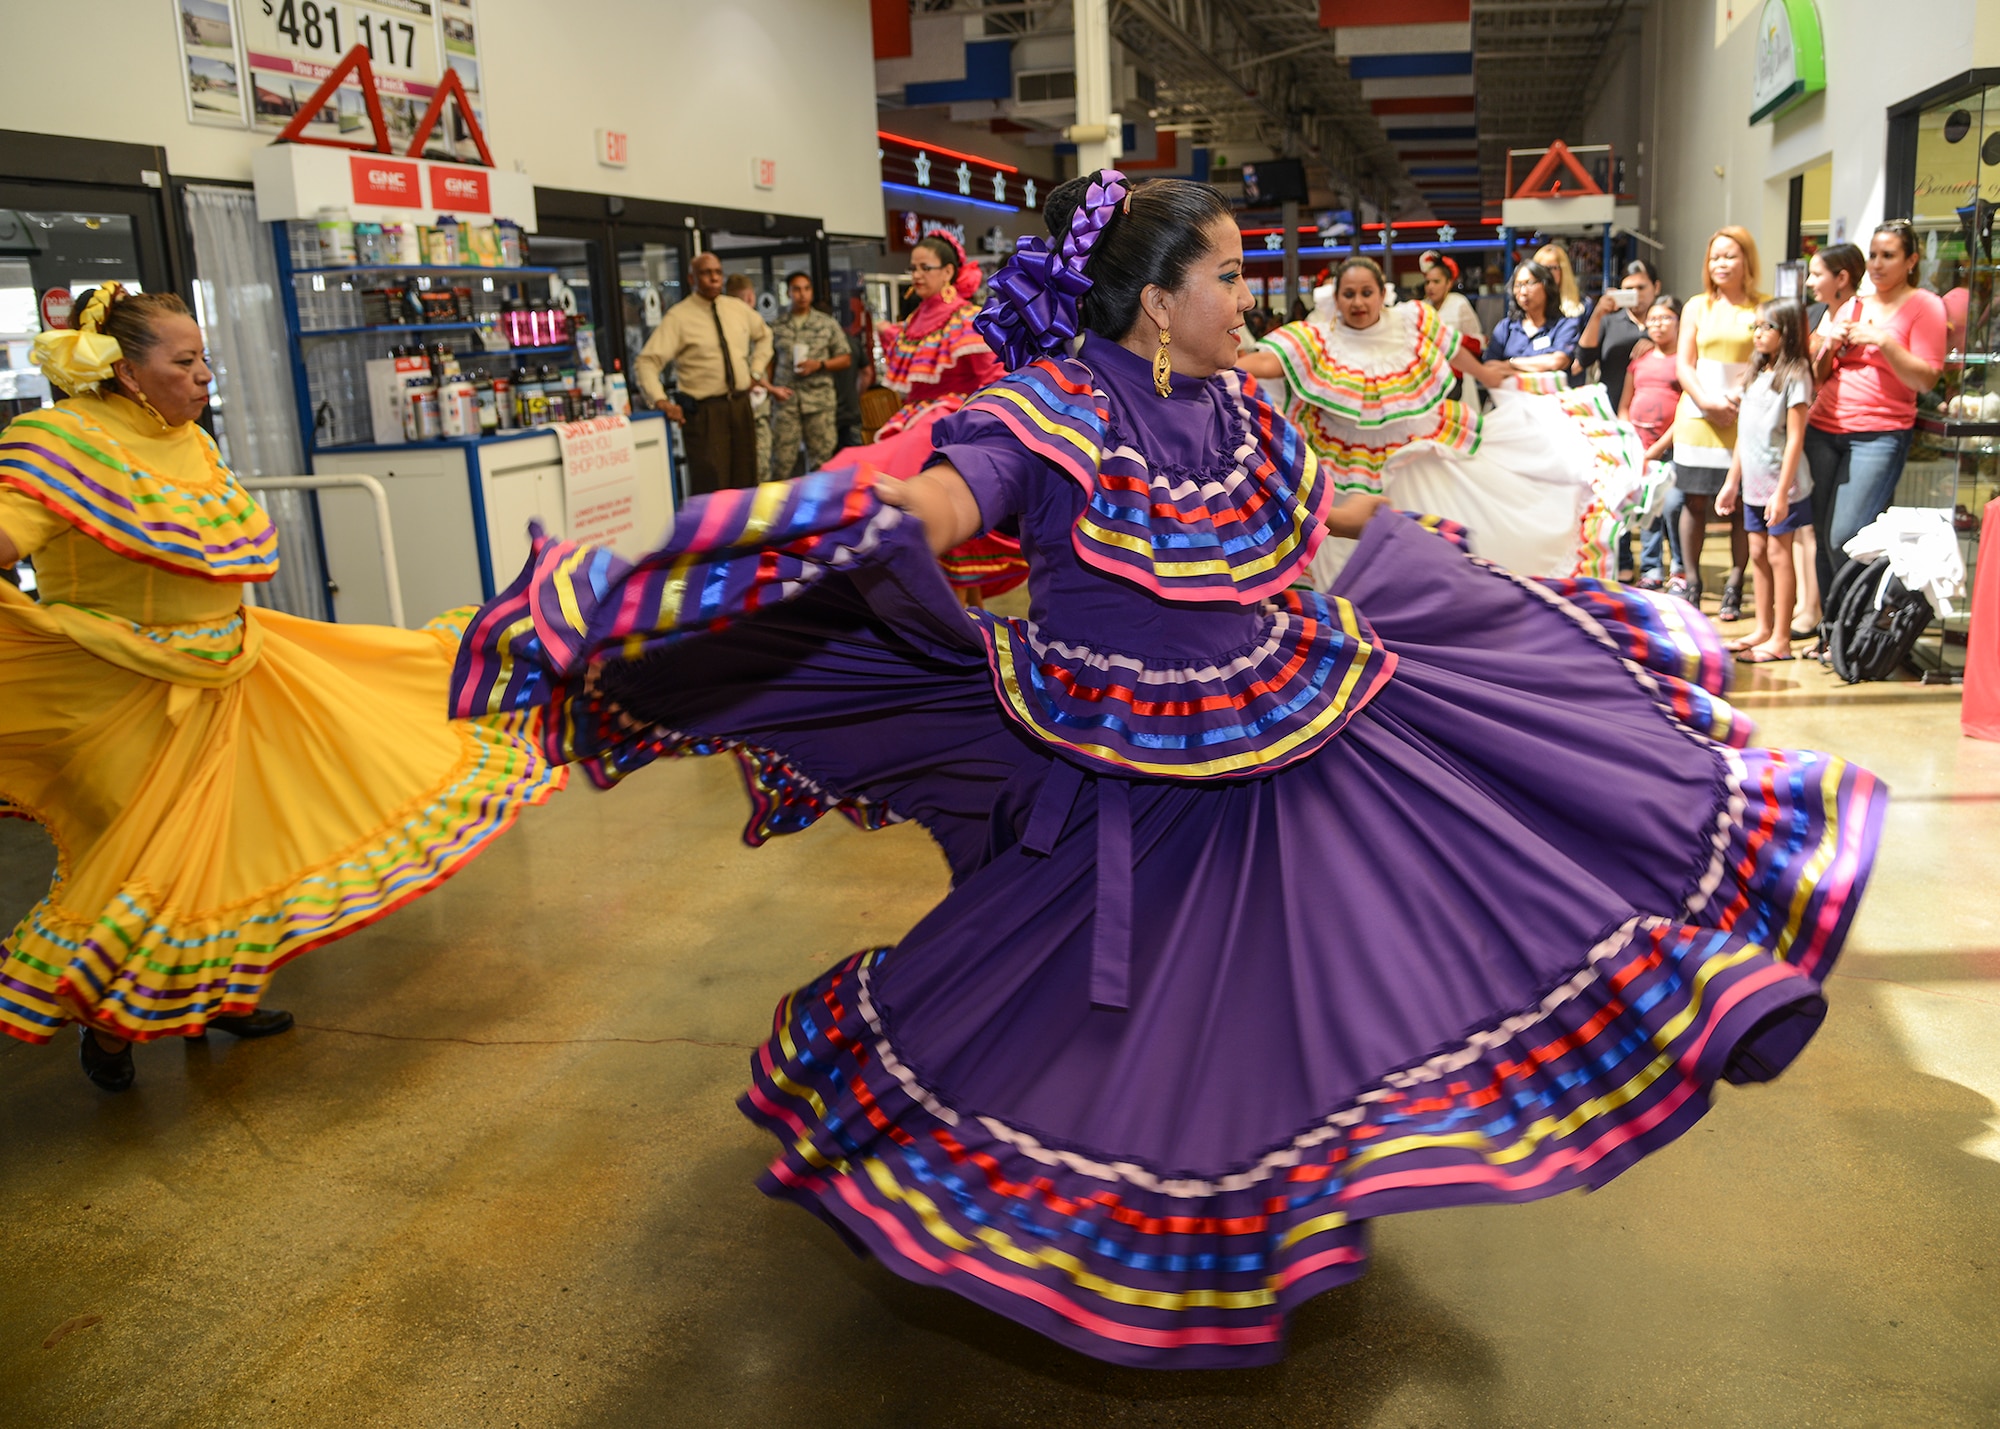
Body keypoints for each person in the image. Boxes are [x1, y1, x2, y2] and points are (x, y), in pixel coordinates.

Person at [446, 171, 1884, 1370]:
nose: (1245, 301)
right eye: (1227, 277)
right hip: (1110, 752)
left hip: (1276, 714)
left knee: (1321, 948)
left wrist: (1465, 522)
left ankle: (1283, 1174)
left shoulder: (1248, 411)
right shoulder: (1059, 407)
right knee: (1097, 999)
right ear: (1156, 297)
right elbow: (956, 495)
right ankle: (1154, 1195)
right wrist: (861, 505)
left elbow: (1327, 513)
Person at [0, 285, 564, 1090]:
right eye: (186, 361)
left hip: (235, 671)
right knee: (137, 863)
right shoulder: (55, 439)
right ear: (127, 372)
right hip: (118, 696)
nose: (204, 376)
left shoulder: (187, 439)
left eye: (203, 359)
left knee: (240, 844)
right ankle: (111, 1026)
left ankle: (216, 993)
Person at [1241, 260, 1602, 578]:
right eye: (1348, 294)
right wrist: (1216, 364)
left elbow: (1452, 349)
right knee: (1346, 554)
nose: (1358, 302)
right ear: (1336, 299)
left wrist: (1484, 374)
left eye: (1367, 292)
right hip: (1348, 462)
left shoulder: (1411, 321)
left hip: (1416, 451)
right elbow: (1270, 363)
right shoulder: (1318, 337)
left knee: (1445, 535)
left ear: (1383, 293)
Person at [830, 231, 1025, 600]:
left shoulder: (965, 319)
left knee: (936, 503)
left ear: (948, 272)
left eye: (925, 267)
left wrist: (978, 419)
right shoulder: (913, 324)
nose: (916, 275)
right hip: (915, 421)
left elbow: (993, 377)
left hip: (956, 423)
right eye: (913, 268)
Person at [1806, 220, 1946, 607]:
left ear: (1911, 260)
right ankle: (1831, 626)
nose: (1878, 264)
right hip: (1823, 429)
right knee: (1820, 534)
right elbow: (1817, 377)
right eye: (1873, 255)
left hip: (1878, 435)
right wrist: (1829, 346)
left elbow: (1926, 379)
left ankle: (1859, 623)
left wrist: (1882, 340)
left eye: (1889, 256)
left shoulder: (1925, 306)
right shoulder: (1853, 304)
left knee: (1847, 537)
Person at [1672, 226, 1763, 616]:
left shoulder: (1763, 306)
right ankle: (1691, 583)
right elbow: (1683, 364)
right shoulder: (1696, 306)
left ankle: (1734, 584)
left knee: (1742, 504)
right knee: (1693, 503)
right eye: (1714, 258)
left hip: (1745, 416)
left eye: (1729, 256)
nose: (1721, 264)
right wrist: (1708, 402)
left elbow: (1768, 360)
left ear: (1747, 260)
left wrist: (1739, 399)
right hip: (1697, 415)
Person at [1718, 299, 1815, 663]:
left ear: (1785, 332)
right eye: (1755, 327)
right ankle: (1762, 627)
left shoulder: (1796, 373)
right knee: (1757, 552)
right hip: (1753, 486)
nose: (1758, 334)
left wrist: (1781, 492)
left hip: (1781, 485)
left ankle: (1781, 638)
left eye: (1766, 327)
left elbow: (1795, 438)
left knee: (1778, 554)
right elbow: (1745, 433)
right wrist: (1732, 481)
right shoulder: (1755, 373)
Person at [633, 252, 773, 493]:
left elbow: (764, 336)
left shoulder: (737, 309)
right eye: (706, 273)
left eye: (718, 272)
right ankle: (714, 531)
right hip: (706, 413)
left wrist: (756, 372)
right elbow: (646, 361)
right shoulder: (679, 316)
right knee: (712, 483)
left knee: (746, 482)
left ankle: (746, 531)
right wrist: (660, 400)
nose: (714, 278)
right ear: (691, 278)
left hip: (740, 406)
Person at [1793, 244, 1865, 632]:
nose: (1810, 282)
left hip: (1854, 431)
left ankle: (1842, 616)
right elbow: (1812, 375)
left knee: (1839, 533)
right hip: (1814, 427)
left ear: (1842, 278)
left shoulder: (1865, 314)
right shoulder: (1817, 315)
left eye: (1817, 274)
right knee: (1813, 528)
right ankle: (1819, 614)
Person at [1620, 294, 1684, 587]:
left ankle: (1680, 569)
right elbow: (1625, 403)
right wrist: (1627, 438)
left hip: (1671, 448)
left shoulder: (1685, 360)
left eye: (1666, 318)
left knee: (1671, 507)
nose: (1658, 325)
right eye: (1653, 319)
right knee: (1646, 508)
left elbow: (1686, 410)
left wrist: (1658, 448)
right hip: (1637, 447)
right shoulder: (1639, 359)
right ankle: (1650, 570)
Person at [769, 271, 850, 479]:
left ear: (812, 292)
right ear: (788, 292)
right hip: (786, 402)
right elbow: (769, 362)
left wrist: (820, 364)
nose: (802, 294)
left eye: (806, 289)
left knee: (821, 462)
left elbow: (845, 358)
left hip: (818, 402)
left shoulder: (826, 323)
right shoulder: (777, 326)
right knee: (781, 461)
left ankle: (818, 509)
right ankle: (776, 510)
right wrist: (770, 390)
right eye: (796, 289)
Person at [1576, 259, 1662, 408]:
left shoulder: (1667, 322)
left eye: (1641, 288)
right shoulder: (1609, 321)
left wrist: (1657, 345)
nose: (1636, 294)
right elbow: (1583, 359)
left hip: (1655, 409)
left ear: (1656, 287)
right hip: (1611, 408)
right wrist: (1597, 314)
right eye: (1629, 289)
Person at [724, 273, 779, 482]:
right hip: (752, 411)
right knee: (760, 470)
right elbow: (750, 373)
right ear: (750, 297)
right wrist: (770, 388)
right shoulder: (747, 326)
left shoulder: (722, 324)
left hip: (730, 412)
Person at [1487, 261, 1584, 375]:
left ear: (1546, 286)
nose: (1523, 292)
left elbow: (1557, 362)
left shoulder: (1565, 325)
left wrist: (1511, 364)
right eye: (1518, 285)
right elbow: (1490, 366)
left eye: (1530, 283)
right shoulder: (1505, 327)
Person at [1418, 250, 1484, 352]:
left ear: (1449, 283)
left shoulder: (1459, 303)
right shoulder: (1422, 307)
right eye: (1427, 282)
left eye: (1436, 281)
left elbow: (1476, 339)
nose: (1430, 287)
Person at [1534, 241, 1588, 318]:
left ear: (1563, 270)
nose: (1547, 273)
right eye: (1542, 268)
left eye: (1553, 268)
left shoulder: (1583, 306)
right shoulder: (1526, 306)